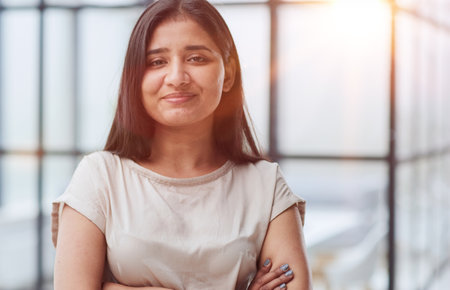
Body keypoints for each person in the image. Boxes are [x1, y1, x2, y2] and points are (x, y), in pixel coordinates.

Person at [51, 0, 312, 289]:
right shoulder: (100, 177)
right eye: (157, 62)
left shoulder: (266, 185)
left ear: (229, 73)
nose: (176, 78)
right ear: (135, 78)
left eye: (197, 58)